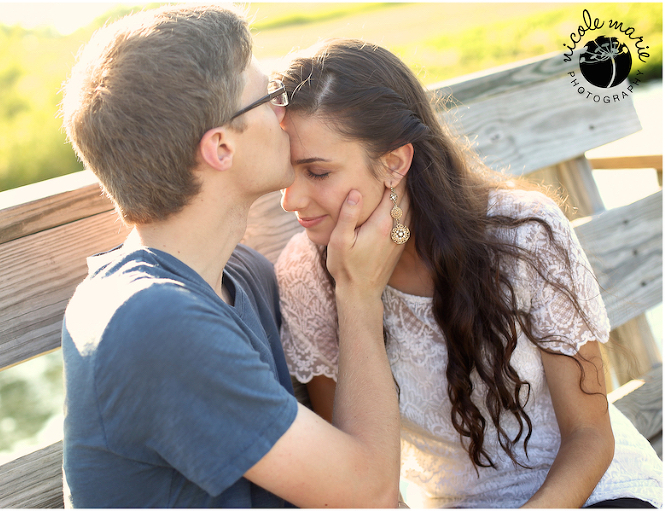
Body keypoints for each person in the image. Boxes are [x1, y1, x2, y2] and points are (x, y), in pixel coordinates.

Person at [274, 38, 662, 508]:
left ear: (394, 162)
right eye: (286, 172)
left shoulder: (523, 233)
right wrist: (357, 293)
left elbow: (590, 435)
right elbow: (357, 480)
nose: (290, 200)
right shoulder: (308, 274)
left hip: (586, 491)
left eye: (317, 173)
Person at [59, 6, 405, 508]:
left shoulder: (243, 274)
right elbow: (370, 495)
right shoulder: (149, 322)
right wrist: (359, 292)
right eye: (269, 97)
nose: (285, 114)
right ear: (221, 147)